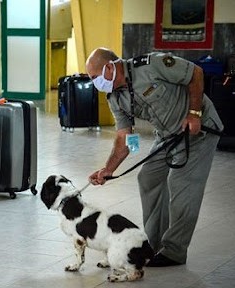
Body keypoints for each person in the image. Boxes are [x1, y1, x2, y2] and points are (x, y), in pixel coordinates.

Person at [86, 47, 223, 267]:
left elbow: (195, 73)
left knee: (181, 184)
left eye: (95, 77)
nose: (94, 83)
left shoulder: (151, 66)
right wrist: (108, 169)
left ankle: (175, 251)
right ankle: (155, 244)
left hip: (199, 131)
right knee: (148, 177)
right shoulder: (115, 97)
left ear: (110, 67)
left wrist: (194, 113)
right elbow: (124, 138)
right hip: (167, 136)